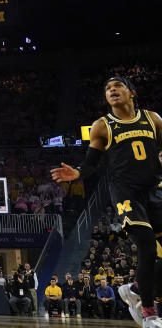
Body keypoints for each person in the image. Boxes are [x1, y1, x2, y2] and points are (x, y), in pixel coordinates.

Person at [53, 76, 162, 327]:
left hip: (154, 190)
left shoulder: (152, 119)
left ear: (131, 92)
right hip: (126, 193)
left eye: (117, 86)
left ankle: (135, 288)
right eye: (107, 89)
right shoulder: (102, 126)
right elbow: (92, 162)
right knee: (145, 245)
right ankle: (149, 312)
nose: (112, 91)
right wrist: (78, 173)